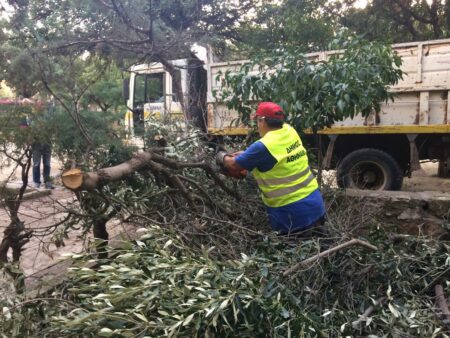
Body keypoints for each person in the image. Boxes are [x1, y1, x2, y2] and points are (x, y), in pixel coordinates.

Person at [216, 102, 325, 236]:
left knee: (294, 253)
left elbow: (232, 165)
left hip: (292, 215)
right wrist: (247, 155)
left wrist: (221, 156)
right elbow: (277, 154)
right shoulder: (289, 131)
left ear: (261, 121)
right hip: (315, 204)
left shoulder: (263, 147)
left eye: (257, 121)